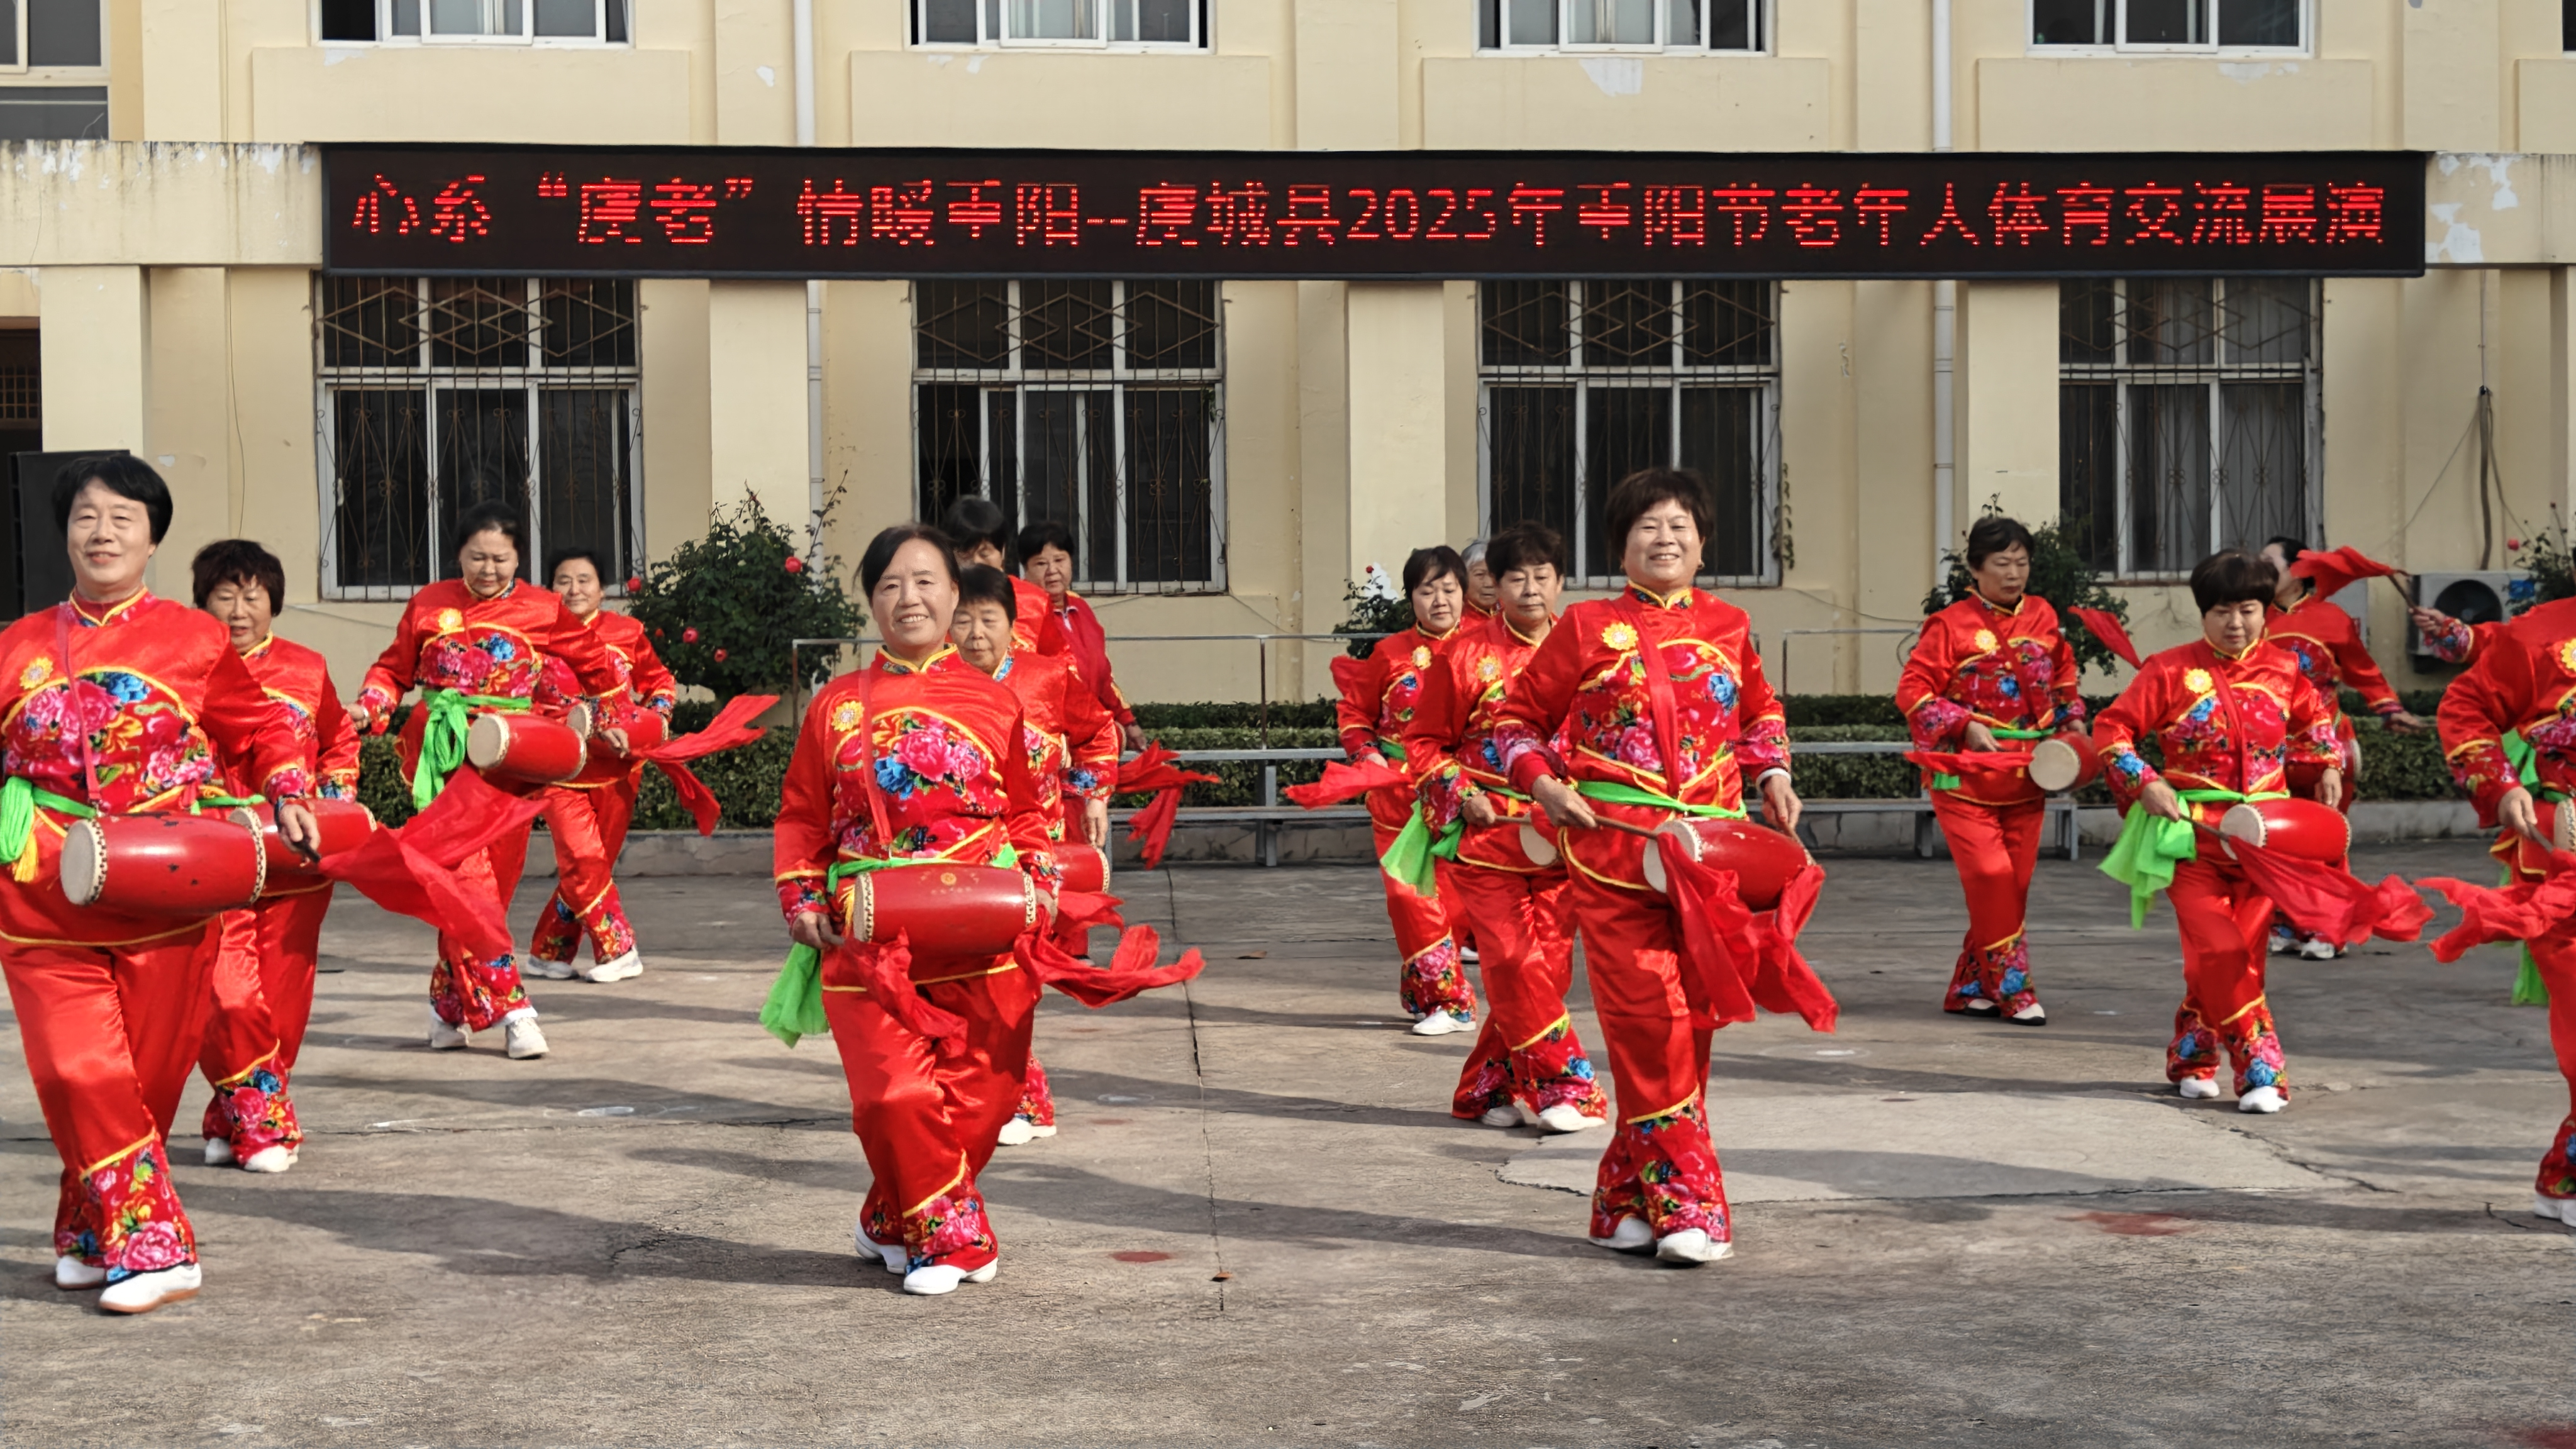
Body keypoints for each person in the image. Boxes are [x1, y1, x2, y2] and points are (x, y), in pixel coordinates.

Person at [0, 457, 320, 1314]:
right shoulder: (16, 644)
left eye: (123, 519)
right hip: (43, 891)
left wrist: (290, 789)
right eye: (86, 518)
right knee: (78, 1071)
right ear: (65, 534)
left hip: (167, 893)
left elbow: (261, 728)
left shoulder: (193, 638)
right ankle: (158, 1250)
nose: (101, 533)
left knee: (142, 1083)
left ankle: (87, 1229)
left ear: (152, 541)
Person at [1489, 469, 1801, 1265]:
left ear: (1703, 543)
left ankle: (1624, 1203)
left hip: (1710, 858)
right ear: (1620, 547)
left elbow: (1759, 713)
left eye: (1678, 527)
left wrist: (1773, 772)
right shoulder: (1586, 626)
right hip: (1615, 852)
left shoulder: (1731, 623)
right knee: (1648, 1019)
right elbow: (1515, 722)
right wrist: (1544, 785)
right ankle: (1692, 1206)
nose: (1664, 539)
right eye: (1646, 528)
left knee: (1691, 1023)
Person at [773, 524, 1060, 1296]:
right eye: (890, 584)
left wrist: (1039, 881)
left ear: (953, 594)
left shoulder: (996, 701)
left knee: (985, 1098)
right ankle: (954, 1242)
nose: (909, 598)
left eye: (926, 581)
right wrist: (801, 895)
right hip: (870, 929)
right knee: (891, 1095)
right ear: (872, 602)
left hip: (981, 926)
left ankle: (889, 1217)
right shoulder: (835, 706)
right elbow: (802, 814)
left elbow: (1026, 812)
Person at [353, 502, 626, 1060]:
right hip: (442, 761)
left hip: (512, 762)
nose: (488, 569)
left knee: (491, 892)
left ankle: (446, 1007)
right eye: (477, 557)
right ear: (458, 555)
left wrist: (608, 718)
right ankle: (514, 1012)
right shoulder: (428, 604)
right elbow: (393, 669)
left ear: (518, 558)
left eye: (500, 559)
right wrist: (370, 705)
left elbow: (600, 667)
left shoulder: (543, 609)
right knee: (468, 884)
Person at [2092, 548, 2341, 1116]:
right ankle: (2262, 1070)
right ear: (2203, 614)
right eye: (2222, 612)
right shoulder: (2169, 670)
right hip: (2192, 840)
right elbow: (2112, 729)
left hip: (2264, 844)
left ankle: (2193, 1055)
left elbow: (2315, 722)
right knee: (2220, 949)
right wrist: (2145, 781)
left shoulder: (2285, 669)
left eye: (2248, 610)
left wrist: (2328, 762)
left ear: (2265, 610)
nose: (2236, 623)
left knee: (2240, 958)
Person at [1403, 521, 1608, 1134]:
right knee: (1515, 962)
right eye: (1515, 577)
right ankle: (1568, 1090)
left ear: (1560, 581)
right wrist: (1461, 793)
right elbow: (1423, 742)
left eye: (1541, 576)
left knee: (1549, 971)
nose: (1529, 589)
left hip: (1561, 837)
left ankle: (1486, 1088)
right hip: (1488, 838)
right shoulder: (1465, 655)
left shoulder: (1587, 653)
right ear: (1492, 585)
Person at [189, 540, 362, 1177]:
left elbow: (338, 739)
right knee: (226, 995)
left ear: (273, 602)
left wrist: (336, 802)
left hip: (294, 856)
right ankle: (262, 1125)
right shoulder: (182, 669)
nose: (238, 611)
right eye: (224, 596)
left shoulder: (306, 668)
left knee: (282, 999)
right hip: (213, 854)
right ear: (203, 602)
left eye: (252, 596)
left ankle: (227, 1117)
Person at [950, 563, 1119, 1147]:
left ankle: (1025, 1102)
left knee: (1011, 980)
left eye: (988, 619)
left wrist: (1092, 792)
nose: (975, 634)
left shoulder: (1046, 678)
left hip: (1027, 858)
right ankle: (1000, 1098)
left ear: (1011, 623)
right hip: (956, 858)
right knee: (967, 984)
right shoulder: (936, 688)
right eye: (963, 620)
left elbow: (1097, 731)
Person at [1897, 515, 2083, 1024]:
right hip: (1967, 778)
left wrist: (2072, 722)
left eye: (2022, 562)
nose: (2014, 573)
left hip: (2028, 777)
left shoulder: (2043, 615)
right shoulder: (1949, 625)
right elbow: (1913, 692)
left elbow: (2063, 675)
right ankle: (2015, 992)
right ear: (1976, 569)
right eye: (2002, 563)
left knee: (2010, 887)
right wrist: (1963, 725)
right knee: (1991, 876)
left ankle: (1969, 987)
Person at [2434, 594, 2576, 1222]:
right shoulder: (2537, 635)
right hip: (2562, 858)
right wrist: (2501, 785)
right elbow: (2465, 706)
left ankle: (2565, 1173)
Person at [2257, 538, 2426, 961]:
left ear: (2299, 572)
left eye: (2269, 564)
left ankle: (2328, 928)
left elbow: (2363, 670)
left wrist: (2390, 709)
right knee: (2275, 841)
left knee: (2324, 840)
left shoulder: (2331, 619)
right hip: (2269, 750)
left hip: (2324, 748)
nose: (2258, 572)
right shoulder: (2253, 618)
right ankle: (2286, 922)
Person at [1336, 545, 1477, 1035]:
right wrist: (1367, 755)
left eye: (1449, 589)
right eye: (1426, 590)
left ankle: (1431, 991)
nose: (1439, 600)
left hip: (1463, 795)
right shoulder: (1389, 653)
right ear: (1410, 598)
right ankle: (1452, 1003)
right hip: (1398, 794)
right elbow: (1354, 713)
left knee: (1453, 903)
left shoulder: (1485, 649)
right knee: (1408, 898)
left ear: (1464, 593)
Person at [521, 548, 677, 985]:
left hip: (618, 768)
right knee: (581, 856)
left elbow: (659, 682)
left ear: (602, 589)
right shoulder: (535, 636)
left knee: (592, 865)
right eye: (563, 581)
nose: (574, 589)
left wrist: (653, 722)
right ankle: (619, 949)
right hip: (560, 766)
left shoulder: (626, 633)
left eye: (583, 580)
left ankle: (550, 951)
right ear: (550, 589)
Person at [1020, 519, 1145, 754]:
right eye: (1041, 563)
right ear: (1025, 569)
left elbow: (1102, 675)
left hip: (1088, 735)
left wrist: (1128, 721)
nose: (1052, 571)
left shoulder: (1080, 608)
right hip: (1047, 740)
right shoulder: (1022, 614)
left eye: (1060, 560)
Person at [940, 497, 1068, 660]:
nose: (976, 563)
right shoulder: (935, 602)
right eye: (966, 556)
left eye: (984, 554)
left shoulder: (1034, 602)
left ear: (1003, 551)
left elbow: (1060, 661)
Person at [1460, 539, 1499, 625]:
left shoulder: (1510, 614)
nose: (1489, 584)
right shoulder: (1455, 621)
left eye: (1494, 575)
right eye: (1480, 574)